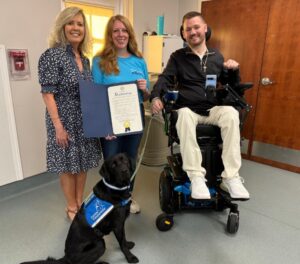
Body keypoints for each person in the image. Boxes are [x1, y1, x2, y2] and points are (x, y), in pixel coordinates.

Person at [150, 11, 250, 200]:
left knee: (230, 112)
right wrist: (156, 97)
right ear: (184, 33)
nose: (193, 32)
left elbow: (232, 86)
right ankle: (196, 177)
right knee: (184, 114)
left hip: (211, 109)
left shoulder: (216, 57)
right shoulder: (178, 57)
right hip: (189, 110)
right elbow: (164, 79)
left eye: (196, 27)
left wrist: (234, 71)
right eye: (188, 29)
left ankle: (231, 177)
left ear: (205, 29)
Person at [38, 7, 101, 221]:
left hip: (84, 121)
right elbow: (48, 94)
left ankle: (80, 201)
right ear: (62, 27)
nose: (76, 28)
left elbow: (90, 93)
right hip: (63, 120)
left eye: (80, 24)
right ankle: (72, 207)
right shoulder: (52, 55)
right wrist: (58, 127)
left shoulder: (85, 60)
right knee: (67, 165)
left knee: (81, 163)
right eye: (71, 23)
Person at [92, 15, 150, 213]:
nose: (120, 34)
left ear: (129, 34)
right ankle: (110, 202)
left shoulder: (139, 61)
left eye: (124, 30)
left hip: (135, 119)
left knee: (130, 160)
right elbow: (96, 96)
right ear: (110, 35)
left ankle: (127, 199)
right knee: (112, 162)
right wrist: (103, 126)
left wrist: (145, 89)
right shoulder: (99, 61)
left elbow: (147, 96)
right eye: (116, 30)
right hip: (110, 122)